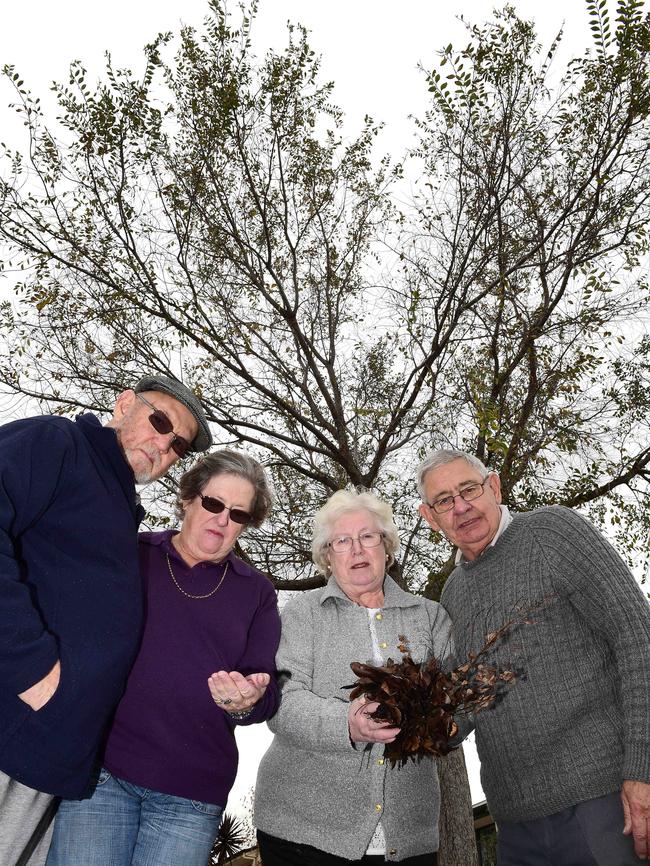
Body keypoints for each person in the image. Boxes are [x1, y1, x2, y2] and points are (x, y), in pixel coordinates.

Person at [0, 374, 212, 866]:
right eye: (160, 422)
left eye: (178, 444)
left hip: (53, 755)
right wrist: (28, 664)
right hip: (12, 725)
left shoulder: (121, 510)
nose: (165, 445)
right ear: (123, 405)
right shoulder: (60, 443)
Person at [46, 448, 281, 866]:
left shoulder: (257, 593)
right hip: (103, 773)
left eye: (239, 514)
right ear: (189, 498)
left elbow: (264, 694)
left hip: (190, 795)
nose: (223, 519)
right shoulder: (130, 553)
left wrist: (247, 702)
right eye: (213, 503)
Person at [417, 448, 650, 866]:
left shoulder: (553, 532)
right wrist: (409, 721)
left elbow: (638, 639)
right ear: (430, 516)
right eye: (445, 501)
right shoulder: (452, 594)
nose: (462, 507)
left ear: (494, 486)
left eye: (469, 489)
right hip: (515, 826)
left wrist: (643, 769)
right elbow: (466, 708)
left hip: (603, 799)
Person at [255, 489, 451, 865]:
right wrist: (345, 722)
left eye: (367, 537)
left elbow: (457, 702)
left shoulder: (431, 616)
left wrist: (437, 721)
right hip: (302, 833)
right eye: (342, 541)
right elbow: (282, 700)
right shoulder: (302, 613)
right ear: (327, 556)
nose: (357, 550)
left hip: (409, 837)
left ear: (387, 547)